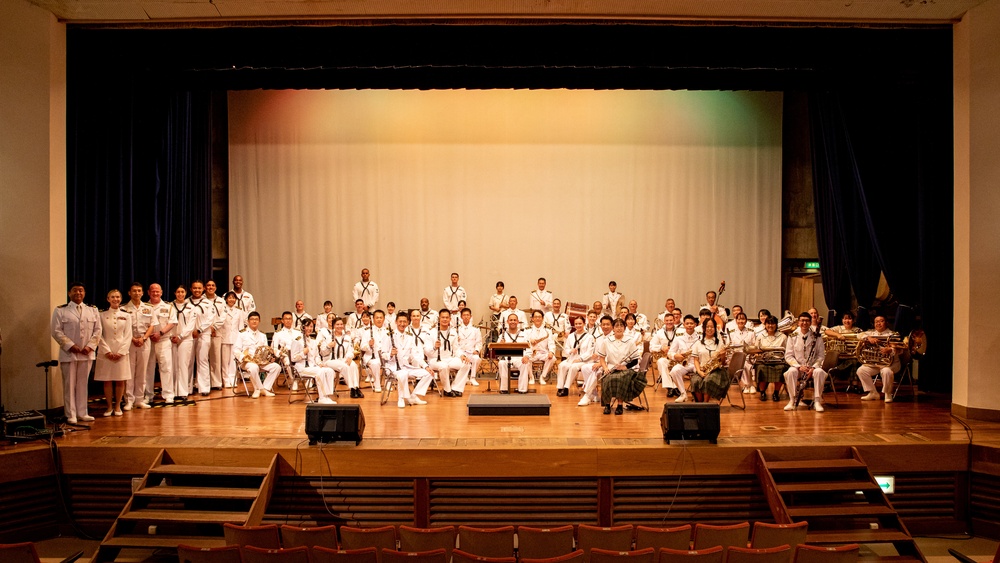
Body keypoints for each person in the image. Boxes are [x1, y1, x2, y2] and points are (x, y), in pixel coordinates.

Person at [51, 282, 101, 423]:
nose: (78, 293)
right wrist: (71, 345)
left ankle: (82, 412)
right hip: (69, 354)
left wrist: (90, 346)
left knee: (82, 384)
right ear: (69, 293)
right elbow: (56, 331)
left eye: (81, 291)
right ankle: (71, 414)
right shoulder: (61, 310)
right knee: (69, 384)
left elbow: (98, 330)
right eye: (75, 291)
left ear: (84, 293)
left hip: (86, 353)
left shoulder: (92, 310)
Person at [96, 289, 133, 416]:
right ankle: (109, 406)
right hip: (106, 351)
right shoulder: (101, 315)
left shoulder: (127, 315)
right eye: (112, 297)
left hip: (121, 351)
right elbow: (98, 335)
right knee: (107, 380)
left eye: (117, 297)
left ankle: (117, 406)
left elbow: (128, 335)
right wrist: (106, 351)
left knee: (120, 379)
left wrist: (121, 352)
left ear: (121, 299)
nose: (115, 299)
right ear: (108, 299)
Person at [783, 312, 828, 412]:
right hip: (798, 367)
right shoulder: (792, 336)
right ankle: (792, 400)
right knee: (790, 372)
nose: (804, 323)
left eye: (807, 320)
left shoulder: (817, 336)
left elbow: (821, 355)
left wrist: (814, 367)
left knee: (819, 372)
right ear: (798, 322)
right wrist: (799, 366)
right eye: (802, 320)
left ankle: (817, 401)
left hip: (812, 367)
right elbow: (788, 356)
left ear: (810, 322)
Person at [597, 318, 643, 415]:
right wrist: (605, 368)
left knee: (620, 378)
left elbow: (635, 360)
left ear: (625, 328)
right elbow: (602, 358)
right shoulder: (606, 341)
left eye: (621, 326)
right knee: (607, 379)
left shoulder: (630, 341)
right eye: (616, 326)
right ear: (613, 328)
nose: (619, 328)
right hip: (610, 368)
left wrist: (624, 367)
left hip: (626, 369)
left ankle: (619, 405)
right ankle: (607, 405)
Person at [122, 282, 154, 410]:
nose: (136, 293)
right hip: (129, 342)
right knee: (129, 372)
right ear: (129, 293)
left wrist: (144, 338)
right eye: (134, 291)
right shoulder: (123, 308)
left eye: (139, 291)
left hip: (144, 341)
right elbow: (122, 328)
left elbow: (152, 325)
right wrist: (132, 339)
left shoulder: (148, 308)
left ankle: (139, 399)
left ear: (142, 293)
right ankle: (129, 400)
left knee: (142, 371)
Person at [234, 311, 280, 399]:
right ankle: (258, 389)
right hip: (247, 362)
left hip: (260, 361)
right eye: (252, 319)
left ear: (259, 321)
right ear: (248, 321)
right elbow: (236, 350)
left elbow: (266, 350)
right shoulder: (242, 334)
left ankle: (265, 388)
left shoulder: (262, 335)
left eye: (256, 319)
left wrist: (269, 358)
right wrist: (244, 358)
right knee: (253, 367)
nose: (254, 321)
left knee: (276, 367)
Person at [857, 315, 901, 404]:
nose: (878, 323)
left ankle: (888, 394)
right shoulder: (871, 333)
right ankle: (873, 392)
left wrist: (890, 350)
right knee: (861, 370)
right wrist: (868, 338)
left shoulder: (893, 334)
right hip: (875, 364)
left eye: (881, 321)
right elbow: (859, 335)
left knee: (886, 371)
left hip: (891, 364)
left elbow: (900, 350)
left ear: (886, 323)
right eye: (876, 322)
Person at [395, 310, 435, 406]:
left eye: (404, 322)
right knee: (402, 374)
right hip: (393, 367)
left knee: (429, 374)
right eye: (400, 321)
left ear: (408, 322)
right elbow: (383, 354)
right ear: (396, 322)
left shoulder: (409, 337)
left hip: (405, 366)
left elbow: (415, 354)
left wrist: (426, 366)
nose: (402, 324)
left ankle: (414, 396)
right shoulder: (389, 335)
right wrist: (390, 354)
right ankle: (401, 398)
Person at [146, 283, 177, 403]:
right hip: (148, 341)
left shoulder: (168, 307)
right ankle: (148, 395)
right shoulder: (144, 307)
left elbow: (172, 322)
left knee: (166, 368)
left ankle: (168, 394)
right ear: (148, 292)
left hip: (163, 340)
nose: (155, 293)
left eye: (157, 291)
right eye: (153, 291)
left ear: (161, 292)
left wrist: (160, 333)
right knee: (148, 369)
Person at [294, 319, 337, 404]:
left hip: (313, 367)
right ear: (303, 327)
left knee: (329, 371)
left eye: (311, 326)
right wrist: (303, 353)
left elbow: (317, 356)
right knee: (319, 373)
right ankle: (322, 397)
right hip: (302, 368)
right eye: (307, 326)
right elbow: (293, 358)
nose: (309, 328)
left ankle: (327, 396)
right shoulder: (297, 341)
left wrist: (320, 363)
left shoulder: (313, 341)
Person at [188, 280, 218, 396]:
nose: (197, 290)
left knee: (202, 360)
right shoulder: (186, 302)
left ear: (203, 289)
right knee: (189, 361)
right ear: (191, 289)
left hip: (203, 334)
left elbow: (210, 319)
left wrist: (199, 330)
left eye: (199, 288)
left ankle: (204, 388)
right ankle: (188, 387)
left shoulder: (208, 303)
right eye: (194, 288)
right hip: (189, 335)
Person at [321, 317, 363, 398]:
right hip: (330, 360)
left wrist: (349, 357)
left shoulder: (347, 337)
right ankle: (352, 388)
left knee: (353, 365)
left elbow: (350, 349)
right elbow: (322, 352)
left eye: (341, 324)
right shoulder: (328, 337)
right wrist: (328, 346)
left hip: (343, 359)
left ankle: (356, 387)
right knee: (344, 366)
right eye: (337, 324)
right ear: (333, 326)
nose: (340, 326)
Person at [578, 315, 614, 406]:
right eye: (603, 325)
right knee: (585, 367)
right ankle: (594, 394)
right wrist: (595, 356)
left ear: (612, 326)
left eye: (608, 324)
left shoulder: (614, 338)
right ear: (600, 326)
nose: (605, 327)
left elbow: (612, 355)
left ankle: (587, 395)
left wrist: (600, 363)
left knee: (595, 370)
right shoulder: (599, 338)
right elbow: (599, 353)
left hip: (610, 364)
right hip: (599, 362)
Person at [691, 318, 729, 403]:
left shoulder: (720, 343)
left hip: (716, 371)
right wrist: (699, 371)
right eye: (707, 327)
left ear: (715, 329)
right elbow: (696, 360)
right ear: (703, 329)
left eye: (712, 327)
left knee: (708, 381)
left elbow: (722, 362)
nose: (709, 329)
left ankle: (706, 404)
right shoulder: (698, 343)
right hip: (703, 369)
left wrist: (723, 355)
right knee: (695, 380)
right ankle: (700, 404)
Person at [169, 285, 197, 400]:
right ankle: (173, 391)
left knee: (183, 365)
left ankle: (183, 391)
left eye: (182, 292)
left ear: (185, 293)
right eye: (178, 292)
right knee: (172, 365)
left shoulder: (191, 307)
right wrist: (172, 336)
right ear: (175, 293)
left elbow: (191, 325)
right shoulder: (170, 306)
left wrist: (181, 336)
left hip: (185, 339)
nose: (180, 294)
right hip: (171, 338)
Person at [428, 310, 464, 397]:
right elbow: (426, 351)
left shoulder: (453, 332)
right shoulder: (431, 332)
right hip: (434, 359)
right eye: (443, 317)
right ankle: (447, 390)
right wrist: (434, 347)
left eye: (447, 317)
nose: (444, 319)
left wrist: (462, 355)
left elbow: (456, 349)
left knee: (466, 364)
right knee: (443, 366)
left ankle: (456, 388)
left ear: (450, 319)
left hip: (449, 358)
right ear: (439, 318)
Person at [556, 316, 594, 397]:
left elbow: (590, 352)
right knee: (562, 365)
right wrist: (570, 351)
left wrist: (580, 359)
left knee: (573, 367)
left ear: (584, 324)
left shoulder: (589, 337)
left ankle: (566, 388)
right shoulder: (571, 336)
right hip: (572, 358)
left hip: (584, 361)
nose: (578, 325)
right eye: (576, 324)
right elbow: (566, 348)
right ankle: (560, 387)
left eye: (580, 323)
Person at [667, 315, 701, 403]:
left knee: (701, 374)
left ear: (695, 325)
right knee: (674, 371)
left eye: (691, 323)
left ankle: (700, 395)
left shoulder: (700, 338)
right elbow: (670, 353)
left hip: (697, 364)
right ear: (684, 325)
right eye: (687, 323)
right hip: (685, 364)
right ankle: (683, 393)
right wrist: (675, 356)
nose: (689, 325)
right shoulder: (678, 338)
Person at [754, 315, 787, 402]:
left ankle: (776, 393)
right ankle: (762, 392)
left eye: (773, 324)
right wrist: (757, 355)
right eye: (768, 323)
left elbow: (786, 351)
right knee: (761, 368)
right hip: (763, 361)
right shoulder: (760, 336)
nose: (770, 326)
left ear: (776, 325)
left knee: (781, 369)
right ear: (765, 325)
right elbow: (756, 350)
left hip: (778, 361)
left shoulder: (783, 337)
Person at [497, 313, 530, 394]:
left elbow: (529, 348)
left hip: (520, 358)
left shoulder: (524, 334)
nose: (513, 322)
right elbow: (497, 350)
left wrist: (526, 356)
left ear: (518, 322)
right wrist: (501, 345)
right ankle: (504, 388)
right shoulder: (502, 335)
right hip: (507, 358)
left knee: (525, 364)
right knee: (501, 363)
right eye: (511, 320)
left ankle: (522, 389)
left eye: (515, 320)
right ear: (508, 322)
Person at [825, 311, 862, 384]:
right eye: (845, 319)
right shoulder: (838, 328)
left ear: (853, 320)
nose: (847, 321)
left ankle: (854, 384)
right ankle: (828, 382)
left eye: (849, 319)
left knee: (854, 361)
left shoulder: (858, 330)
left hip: (851, 356)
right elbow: (827, 331)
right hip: (838, 355)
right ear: (842, 320)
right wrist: (838, 335)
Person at [203, 280, 227, 391]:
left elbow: (222, 317)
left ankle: (216, 382)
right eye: (208, 285)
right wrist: (206, 328)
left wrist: (213, 328)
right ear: (204, 287)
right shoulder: (200, 300)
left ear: (216, 288)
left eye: (213, 285)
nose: (210, 287)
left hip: (216, 332)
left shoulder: (221, 301)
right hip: (202, 332)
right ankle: (203, 384)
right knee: (202, 359)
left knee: (216, 358)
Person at [650, 313, 680, 397]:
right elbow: (651, 346)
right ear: (664, 321)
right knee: (660, 362)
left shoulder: (680, 332)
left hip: (678, 358)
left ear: (674, 320)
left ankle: (674, 388)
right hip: (666, 357)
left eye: (671, 320)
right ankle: (671, 387)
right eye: (667, 320)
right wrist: (661, 347)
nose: (669, 322)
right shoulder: (659, 333)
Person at [219, 291, 245, 387]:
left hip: (235, 338)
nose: (231, 299)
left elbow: (241, 326)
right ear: (226, 299)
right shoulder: (222, 309)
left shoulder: (239, 310)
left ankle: (232, 379)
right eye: (229, 298)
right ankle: (225, 380)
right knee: (224, 361)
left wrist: (241, 339)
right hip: (224, 337)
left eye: (233, 298)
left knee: (233, 360)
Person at [726, 312, 757, 393]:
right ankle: (749, 385)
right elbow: (728, 346)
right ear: (736, 320)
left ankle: (748, 385)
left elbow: (754, 345)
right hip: (735, 357)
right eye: (739, 319)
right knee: (742, 364)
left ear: (746, 321)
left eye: (743, 319)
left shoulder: (751, 332)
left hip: (749, 356)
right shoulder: (731, 333)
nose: (741, 321)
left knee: (747, 365)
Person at [525, 310, 557, 384]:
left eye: (539, 317)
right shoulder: (527, 331)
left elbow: (551, 343)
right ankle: (531, 377)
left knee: (553, 358)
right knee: (525, 358)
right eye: (535, 317)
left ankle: (542, 377)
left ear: (542, 318)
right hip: (531, 353)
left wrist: (551, 352)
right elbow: (524, 343)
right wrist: (530, 341)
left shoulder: (548, 331)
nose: (537, 319)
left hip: (543, 353)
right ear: (532, 319)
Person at [456, 307, 483, 389]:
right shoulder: (457, 329)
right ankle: (465, 378)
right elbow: (454, 344)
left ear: (471, 316)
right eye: (464, 315)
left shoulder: (476, 329)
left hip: (471, 351)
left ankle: (473, 377)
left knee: (476, 358)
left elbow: (479, 342)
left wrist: (477, 350)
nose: (466, 317)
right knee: (461, 360)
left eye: (468, 315)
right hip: (461, 352)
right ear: (461, 317)